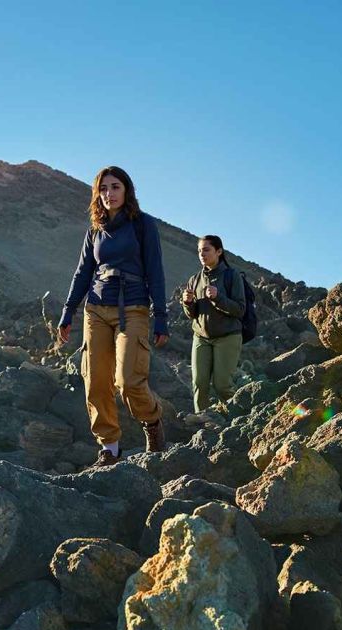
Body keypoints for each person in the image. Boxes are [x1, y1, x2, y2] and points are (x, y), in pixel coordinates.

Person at [58, 166, 169, 466]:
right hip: (96, 309)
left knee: (128, 380)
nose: (109, 193)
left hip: (133, 308)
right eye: (103, 188)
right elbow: (82, 273)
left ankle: (152, 421)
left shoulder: (143, 224)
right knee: (95, 379)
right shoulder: (95, 229)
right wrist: (68, 312)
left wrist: (161, 316)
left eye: (115, 187)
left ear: (127, 190)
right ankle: (110, 447)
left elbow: (155, 271)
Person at [181, 235, 246, 413]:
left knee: (222, 385)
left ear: (219, 251)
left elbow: (240, 309)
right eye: (199, 251)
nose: (202, 254)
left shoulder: (232, 276)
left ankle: (237, 418)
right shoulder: (194, 279)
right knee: (199, 383)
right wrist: (187, 303)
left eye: (206, 250)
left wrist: (218, 298)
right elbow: (192, 315)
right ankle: (202, 421)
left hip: (227, 336)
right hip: (201, 338)